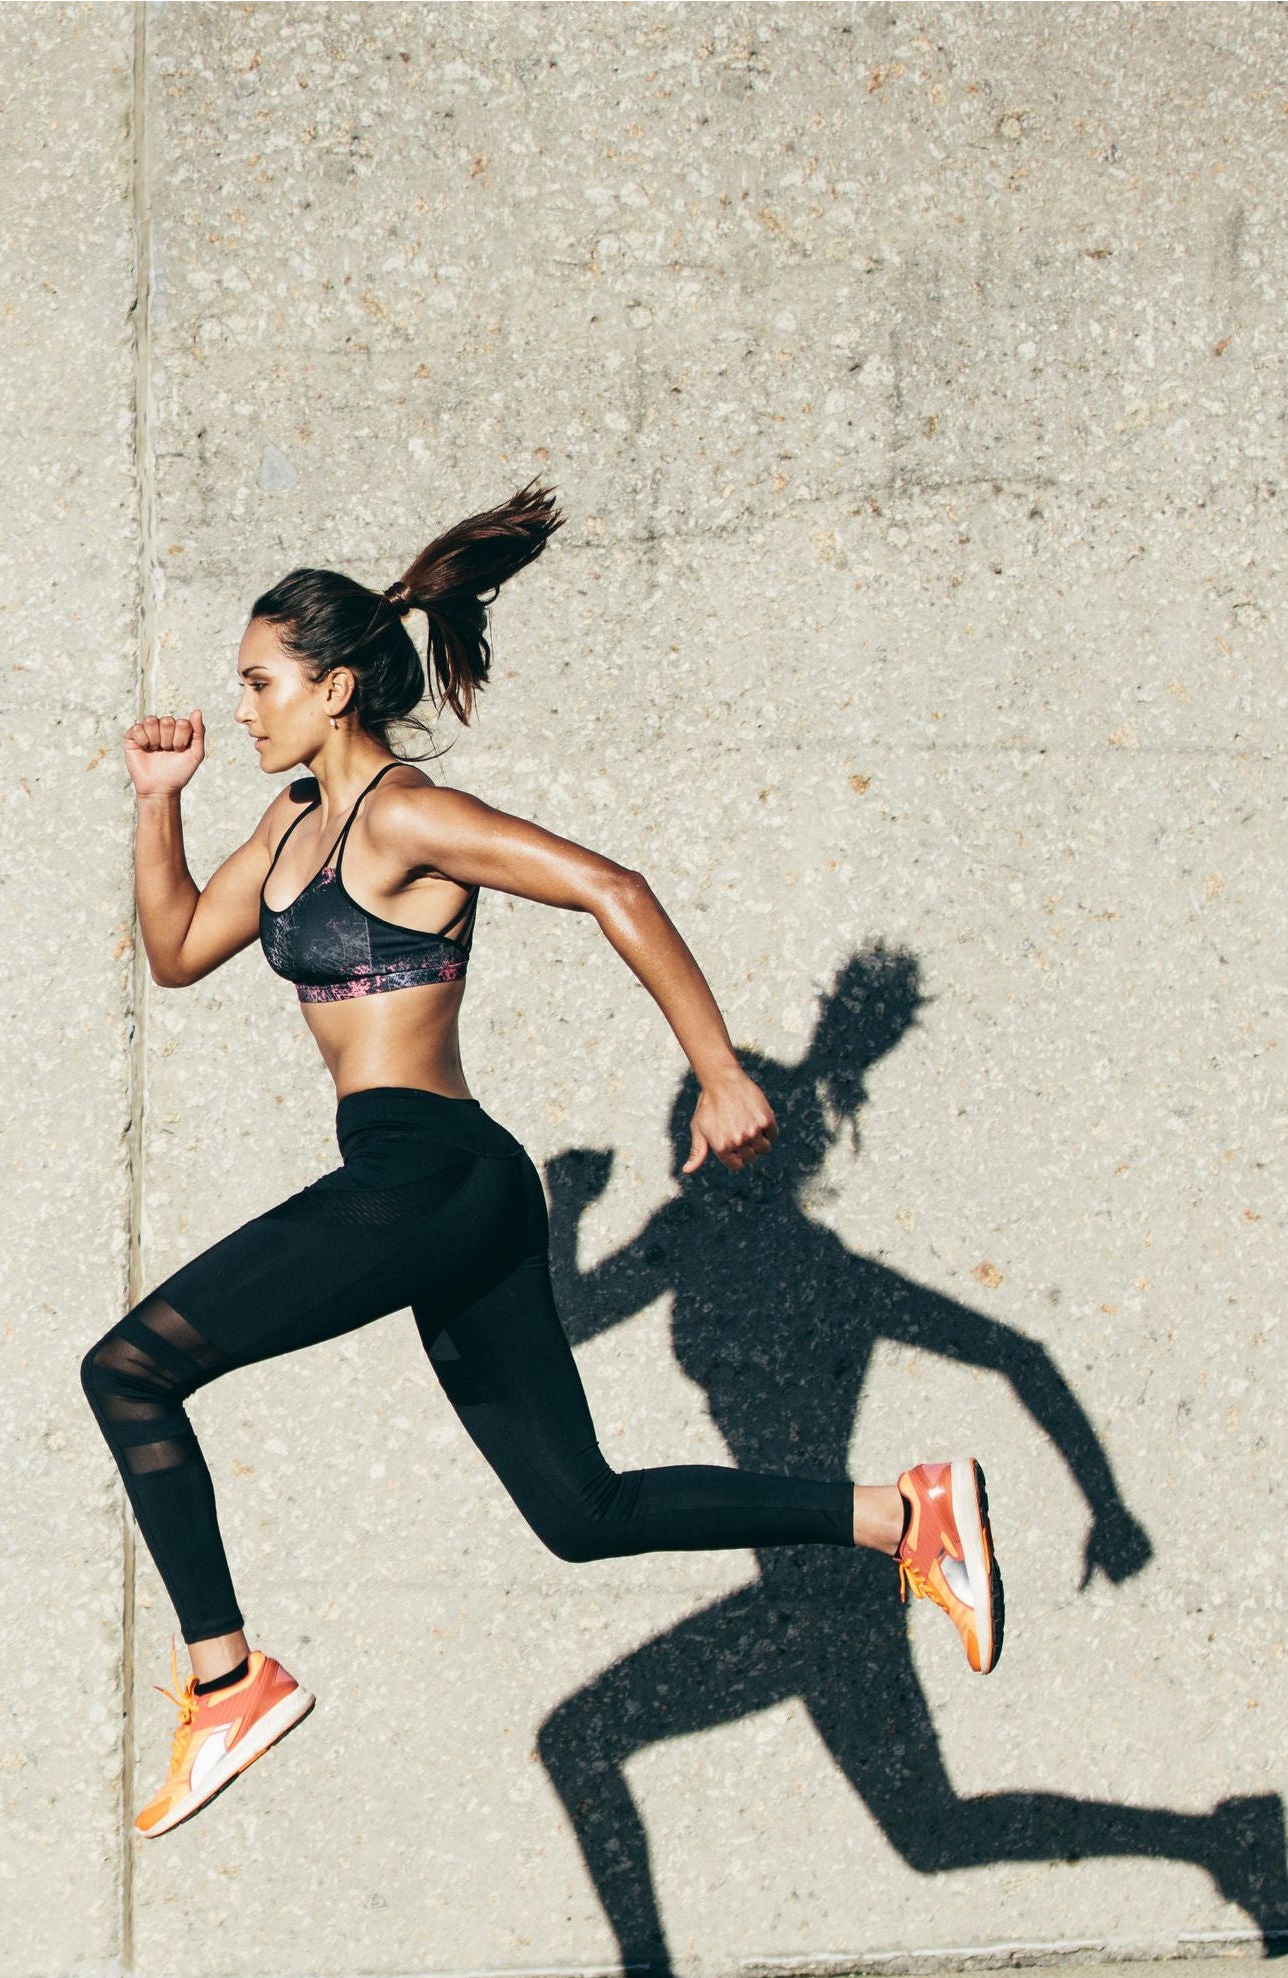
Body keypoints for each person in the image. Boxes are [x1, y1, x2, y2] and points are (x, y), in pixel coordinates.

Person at [90, 480, 997, 1839]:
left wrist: (720, 1070)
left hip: (431, 1164)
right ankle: (900, 1512)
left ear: (335, 687)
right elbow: (175, 953)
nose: (243, 705)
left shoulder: (403, 817)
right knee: (580, 1510)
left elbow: (610, 887)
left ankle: (225, 1677)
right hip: (439, 1186)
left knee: (130, 1367)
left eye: (260, 680)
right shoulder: (284, 824)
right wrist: (160, 802)